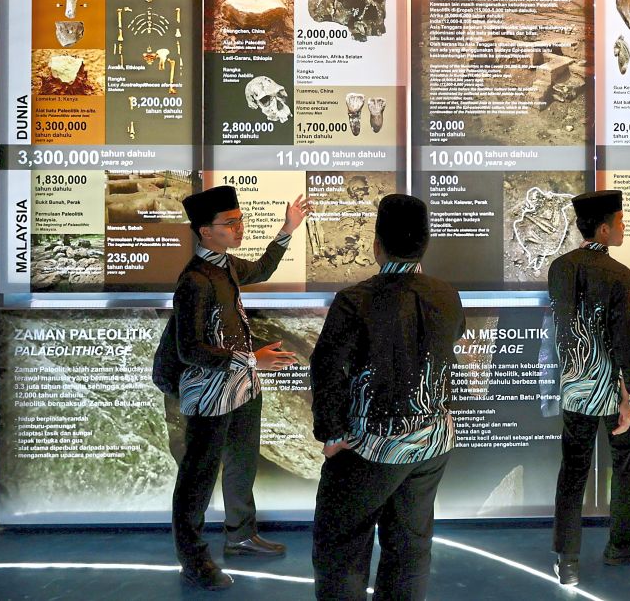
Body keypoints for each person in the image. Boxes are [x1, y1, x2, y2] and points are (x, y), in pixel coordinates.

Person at [309, 194, 465, 601]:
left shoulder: (354, 300)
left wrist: (330, 434)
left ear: (376, 244)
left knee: (341, 547)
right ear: (425, 244)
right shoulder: (447, 295)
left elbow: (326, 369)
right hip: (431, 444)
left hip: (369, 446)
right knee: (411, 547)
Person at [172, 185, 310, 591]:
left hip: (242, 388)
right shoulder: (194, 281)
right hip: (210, 394)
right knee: (198, 477)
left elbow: (263, 270)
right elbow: (190, 349)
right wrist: (253, 359)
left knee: (241, 463)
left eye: (240, 220)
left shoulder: (226, 266)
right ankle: (194, 560)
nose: (238, 228)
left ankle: (241, 535)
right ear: (204, 231)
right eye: (229, 223)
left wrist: (287, 229)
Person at [549, 190, 630, 586]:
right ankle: (622, 545)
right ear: (603, 228)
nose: (624, 226)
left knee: (573, 469)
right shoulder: (619, 274)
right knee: (625, 465)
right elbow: (622, 341)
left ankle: (567, 561)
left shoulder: (559, 268)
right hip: (612, 390)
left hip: (575, 387)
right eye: (621, 221)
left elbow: (565, 331)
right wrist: (627, 395)